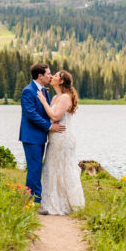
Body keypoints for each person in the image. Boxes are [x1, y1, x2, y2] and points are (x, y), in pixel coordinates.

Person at [36, 69, 85, 215]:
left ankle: (69, 204)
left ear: (61, 81)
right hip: (54, 138)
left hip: (63, 138)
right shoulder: (56, 98)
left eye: (56, 76)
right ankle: (53, 202)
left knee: (65, 168)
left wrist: (44, 102)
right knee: (52, 168)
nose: (52, 77)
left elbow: (56, 116)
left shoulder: (65, 97)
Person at [19, 63, 64, 204]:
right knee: (35, 167)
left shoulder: (44, 90)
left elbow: (47, 111)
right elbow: (31, 114)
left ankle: (29, 197)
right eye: (48, 74)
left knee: (36, 167)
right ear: (40, 76)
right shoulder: (28, 91)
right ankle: (38, 201)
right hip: (31, 137)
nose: (50, 76)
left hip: (40, 136)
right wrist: (50, 126)